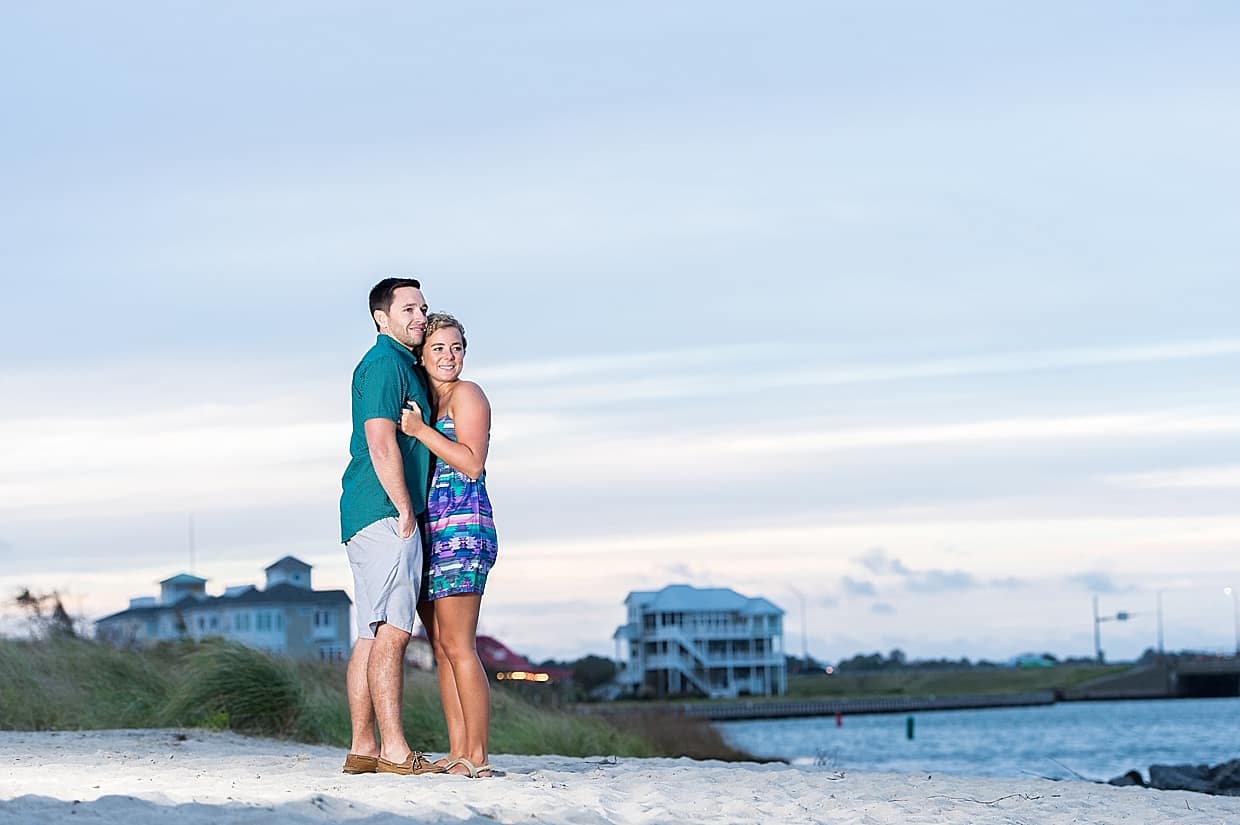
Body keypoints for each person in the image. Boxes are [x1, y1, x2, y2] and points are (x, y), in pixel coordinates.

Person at [338, 278, 444, 777]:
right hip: (385, 511)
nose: (420, 316)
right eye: (409, 308)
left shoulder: (401, 363)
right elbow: (380, 442)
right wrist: (405, 508)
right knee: (394, 632)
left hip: (364, 511)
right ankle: (395, 752)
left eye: (423, 307)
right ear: (382, 317)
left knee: (370, 633)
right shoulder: (385, 363)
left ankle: (363, 747)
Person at [400, 312, 498, 778]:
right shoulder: (424, 401)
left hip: (463, 528)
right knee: (439, 646)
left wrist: (421, 433)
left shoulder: (468, 395)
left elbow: (472, 463)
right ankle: (458, 750)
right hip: (430, 530)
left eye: (456, 347)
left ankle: (476, 756)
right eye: (438, 347)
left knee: (460, 645)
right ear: (422, 353)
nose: (449, 356)